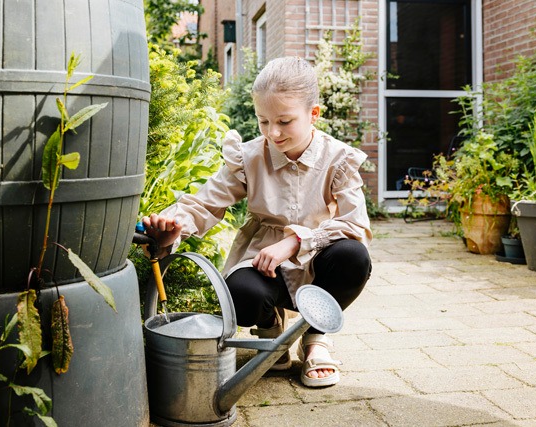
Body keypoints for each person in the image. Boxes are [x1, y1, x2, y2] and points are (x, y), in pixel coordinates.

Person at [142, 56, 372, 388]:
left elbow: (356, 225)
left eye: (284, 121)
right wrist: (173, 224)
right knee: (240, 294)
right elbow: (206, 202)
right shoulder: (249, 157)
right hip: (264, 264)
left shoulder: (339, 159)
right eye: (263, 121)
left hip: (319, 260)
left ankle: (316, 339)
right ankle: (272, 333)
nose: (273, 133)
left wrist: (294, 241)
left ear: (314, 114)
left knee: (353, 256)